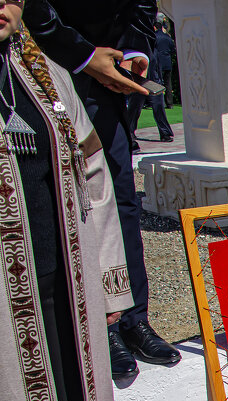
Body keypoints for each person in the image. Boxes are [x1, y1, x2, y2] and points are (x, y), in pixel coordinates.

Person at [0, 9, 131, 401]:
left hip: (61, 282)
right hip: (5, 295)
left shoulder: (43, 71)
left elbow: (94, 176)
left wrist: (108, 283)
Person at [25, 0, 182, 381]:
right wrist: (83, 56)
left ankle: (133, 319)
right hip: (54, 68)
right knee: (76, 205)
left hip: (109, 80)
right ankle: (99, 326)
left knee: (122, 200)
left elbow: (140, 6)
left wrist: (133, 52)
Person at [126, 18, 173, 143]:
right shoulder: (138, 46)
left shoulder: (153, 47)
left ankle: (165, 133)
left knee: (158, 107)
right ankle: (129, 133)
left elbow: (157, 65)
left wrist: (159, 80)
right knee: (135, 108)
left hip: (153, 80)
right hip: (140, 80)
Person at [154, 16, 175, 107]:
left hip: (158, 61)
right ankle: (169, 103)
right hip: (167, 61)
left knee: (158, 82)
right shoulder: (167, 37)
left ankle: (159, 102)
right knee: (168, 83)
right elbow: (173, 49)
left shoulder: (154, 36)